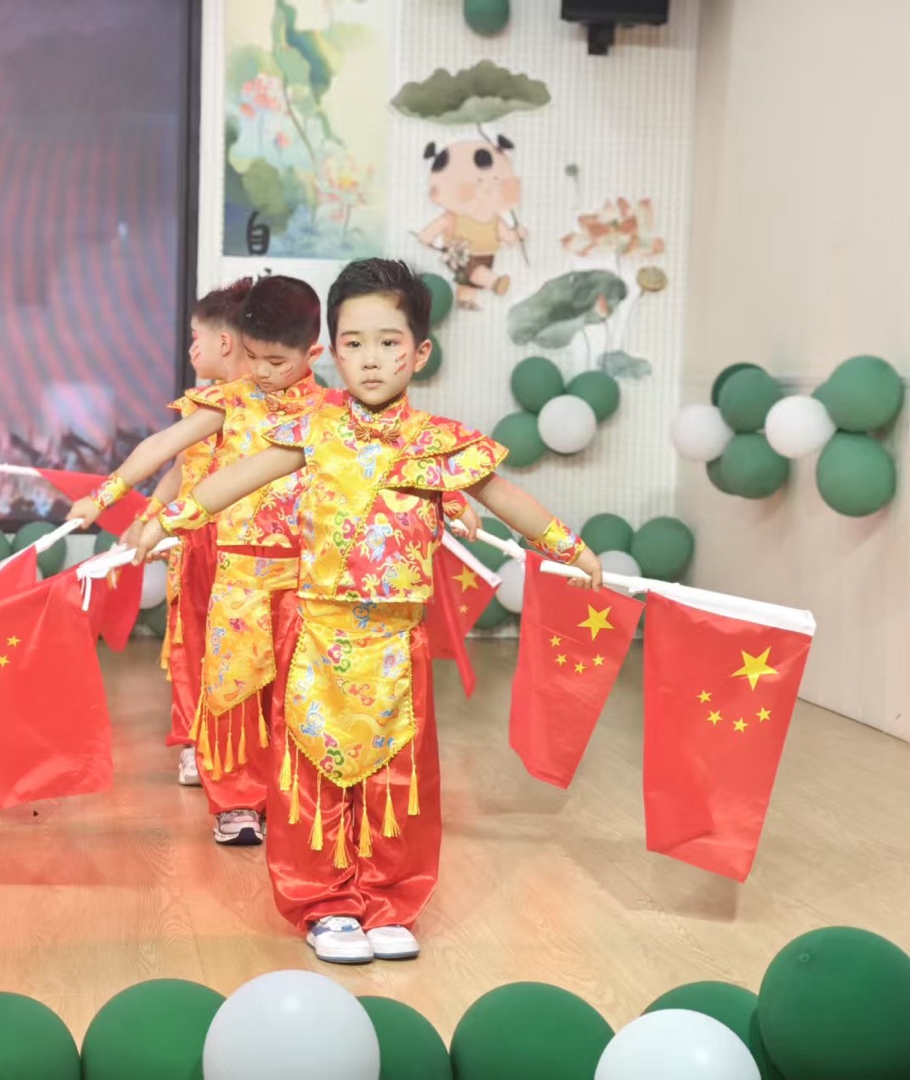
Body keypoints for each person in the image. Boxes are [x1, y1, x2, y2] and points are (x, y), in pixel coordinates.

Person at [134, 258, 603, 964]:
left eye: (389, 342)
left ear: (420, 352)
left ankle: (390, 899)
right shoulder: (312, 430)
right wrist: (170, 519)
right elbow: (238, 478)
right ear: (333, 350)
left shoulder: (438, 443)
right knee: (313, 774)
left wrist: (570, 546)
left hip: (396, 642)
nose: (372, 359)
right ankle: (324, 902)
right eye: (354, 343)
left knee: (396, 778)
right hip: (318, 636)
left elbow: (503, 497)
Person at [69, 275, 326, 846]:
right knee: (233, 689)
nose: (261, 372)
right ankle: (237, 803)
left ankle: (293, 801)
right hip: (238, 573)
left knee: (298, 694)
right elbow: (163, 449)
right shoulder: (233, 400)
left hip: (308, 577)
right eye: (252, 357)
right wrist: (105, 496)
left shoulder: (331, 412)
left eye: (276, 362)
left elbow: (391, 455)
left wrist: (452, 502)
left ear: (313, 354)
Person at [122, 279, 254, 788]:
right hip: (194, 542)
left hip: (247, 544)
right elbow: (180, 467)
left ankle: (245, 749)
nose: (192, 349)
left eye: (197, 338)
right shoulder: (201, 406)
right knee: (191, 644)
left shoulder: (266, 406)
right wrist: (149, 515)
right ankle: (196, 744)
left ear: (225, 341)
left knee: (244, 651)